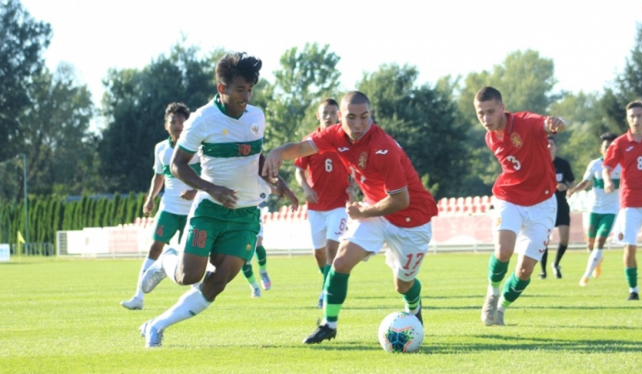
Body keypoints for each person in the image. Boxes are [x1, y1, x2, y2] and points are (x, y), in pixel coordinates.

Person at [137, 52, 295, 347]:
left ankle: (157, 325)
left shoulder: (256, 117)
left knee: (218, 281)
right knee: (188, 276)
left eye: (250, 89)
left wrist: (278, 182)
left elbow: (256, 157)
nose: (246, 96)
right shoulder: (201, 119)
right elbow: (177, 165)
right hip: (209, 210)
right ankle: (166, 261)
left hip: (246, 213)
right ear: (222, 88)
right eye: (240, 89)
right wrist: (210, 188)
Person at [263, 91, 438, 344]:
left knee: (403, 285)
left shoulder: (383, 149)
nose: (358, 124)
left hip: (412, 221)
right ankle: (328, 325)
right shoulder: (335, 134)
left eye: (364, 117)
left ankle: (414, 308)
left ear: (371, 115)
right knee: (341, 262)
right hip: (376, 213)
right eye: (351, 117)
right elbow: (301, 148)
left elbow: (401, 200)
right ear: (340, 117)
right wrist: (277, 152)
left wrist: (363, 212)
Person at [475, 87, 566, 326]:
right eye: (480, 113)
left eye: (490, 111)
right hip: (509, 198)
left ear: (503, 108)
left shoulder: (525, 122)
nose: (486, 118)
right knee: (503, 251)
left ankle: (501, 309)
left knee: (525, 271)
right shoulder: (490, 137)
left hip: (543, 204)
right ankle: (492, 294)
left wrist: (558, 123)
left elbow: (546, 123)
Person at [120, 102, 199, 310]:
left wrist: (196, 191)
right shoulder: (161, 149)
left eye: (182, 121)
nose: (178, 125)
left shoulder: (198, 147)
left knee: (189, 255)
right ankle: (138, 297)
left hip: (193, 210)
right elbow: (158, 176)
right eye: (173, 121)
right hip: (169, 208)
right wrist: (150, 198)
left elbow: (209, 174)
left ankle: (196, 296)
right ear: (166, 125)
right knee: (155, 247)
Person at [294, 98, 355, 308]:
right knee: (318, 251)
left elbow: (357, 167)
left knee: (331, 248)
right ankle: (327, 279)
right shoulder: (310, 141)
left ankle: (327, 291)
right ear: (318, 116)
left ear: (339, 115)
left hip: (339, 203)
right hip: (316, 205)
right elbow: (299, 171)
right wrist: (306, 188)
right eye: (324, 113)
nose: (328, 116)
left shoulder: (346, 140)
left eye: (332, 112)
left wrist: (352, 187)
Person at [602, 100, 642, 301]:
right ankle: (633, 290)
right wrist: (607, 181)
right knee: (630, 246)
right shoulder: (619, 143)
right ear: (627, 119)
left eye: (639, 115)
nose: (635, 119)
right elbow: (607, 166)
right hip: (629, 203)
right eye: (632, 116)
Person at [567, 133, 621, 286]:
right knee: (590, 244)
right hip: (593, 209)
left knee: (599, 242)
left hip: (610, 211)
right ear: (601, 149)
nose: (609, 150)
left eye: (612, 147)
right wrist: (573, 190)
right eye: (606, 147)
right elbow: (585, 182)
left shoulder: (622, 165)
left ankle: (586, 276)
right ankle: (597, 260)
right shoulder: (595, 164)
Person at [539, 136, 574, 279]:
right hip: (544, 205)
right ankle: (543, 270)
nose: (549, 146)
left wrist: (566, 186)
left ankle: (556, 263)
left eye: (551, 144)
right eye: (546, 144)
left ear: (556, 147)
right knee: (544, 239)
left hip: (561, 204)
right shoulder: (538, 163)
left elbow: (572, 182)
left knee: (564, 238)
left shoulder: (563, 164)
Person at [241, 221, 271, 298]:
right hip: (235, 219)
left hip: (252, 214)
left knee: (258, 243)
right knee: (243, 258)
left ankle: (263, 272)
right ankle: (254, 287)